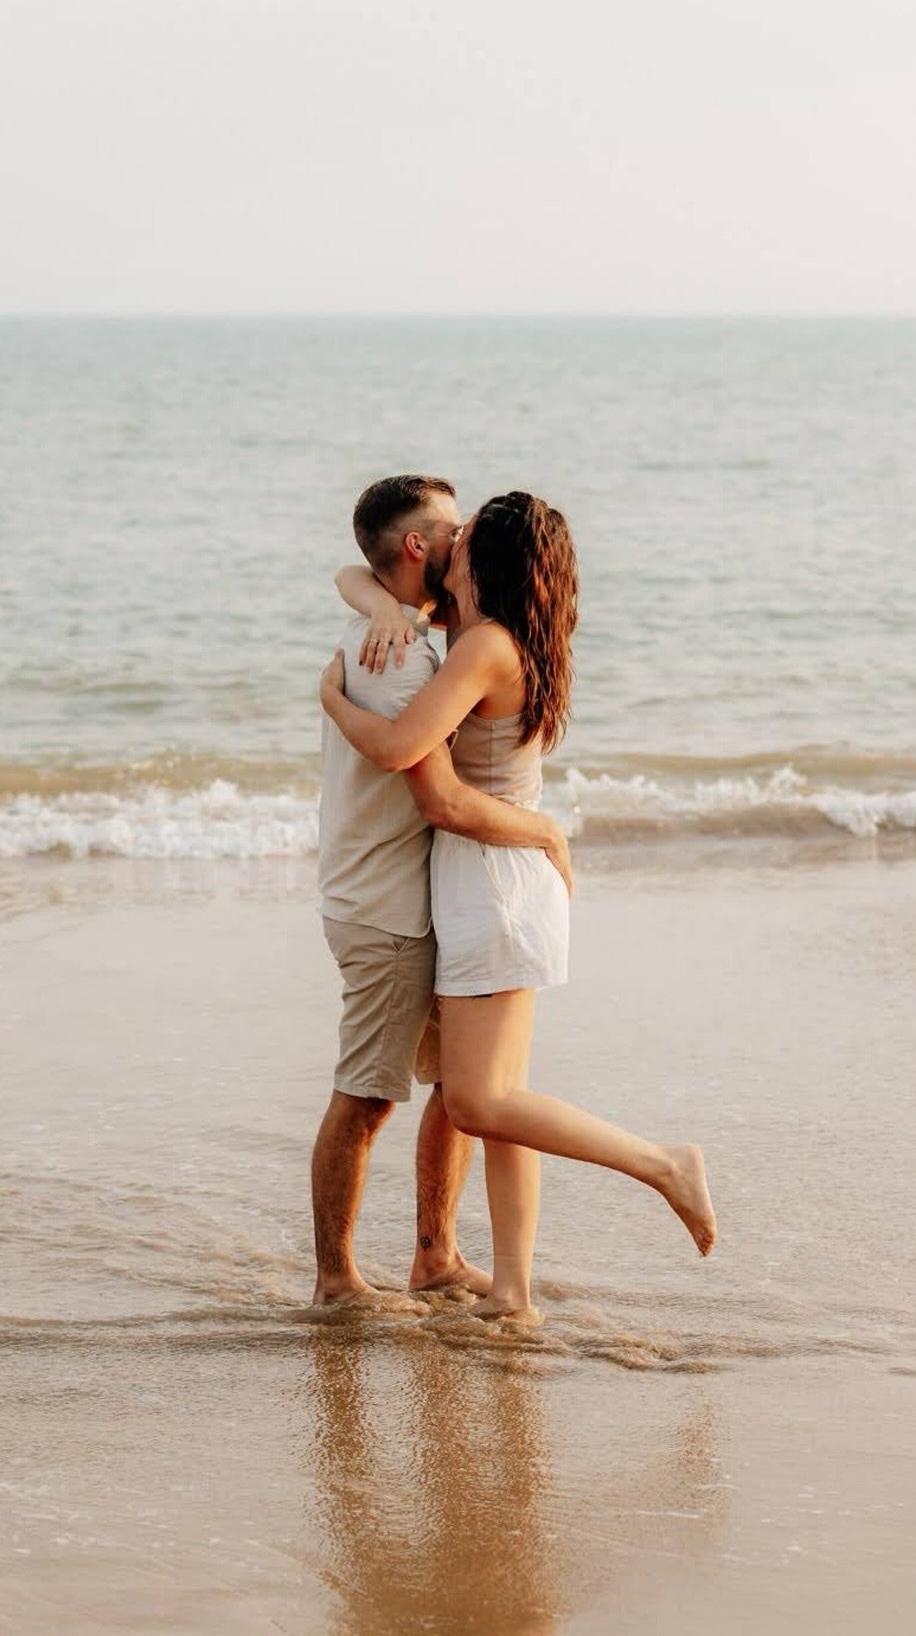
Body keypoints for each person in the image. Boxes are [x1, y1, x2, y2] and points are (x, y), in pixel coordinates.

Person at [321, 490, 716, 1322]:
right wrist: (375, 598)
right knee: (502, 1107)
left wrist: (334, 702)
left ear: (482, 563)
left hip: (493, 887)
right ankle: (512, 1291)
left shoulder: (483, 648)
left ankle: (663, 1163)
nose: (453, 542)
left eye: (466, 538)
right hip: (493, 885)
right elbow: (356, 572)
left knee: (481, 1103)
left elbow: (410, 763)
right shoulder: (496, 637)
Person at [313, 475, 574, 1307]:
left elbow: (360, 576)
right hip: (388, 908)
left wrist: (378, 602)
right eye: (451, 528)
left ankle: (435, 1256)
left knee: (459, 1097)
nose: (464, 539)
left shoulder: (434, 637)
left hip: (441, 898)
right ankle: (337, 1281)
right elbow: (423, 780)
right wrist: (545, 831)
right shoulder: (397, 652)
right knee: (368, 1099)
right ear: (421, 549)